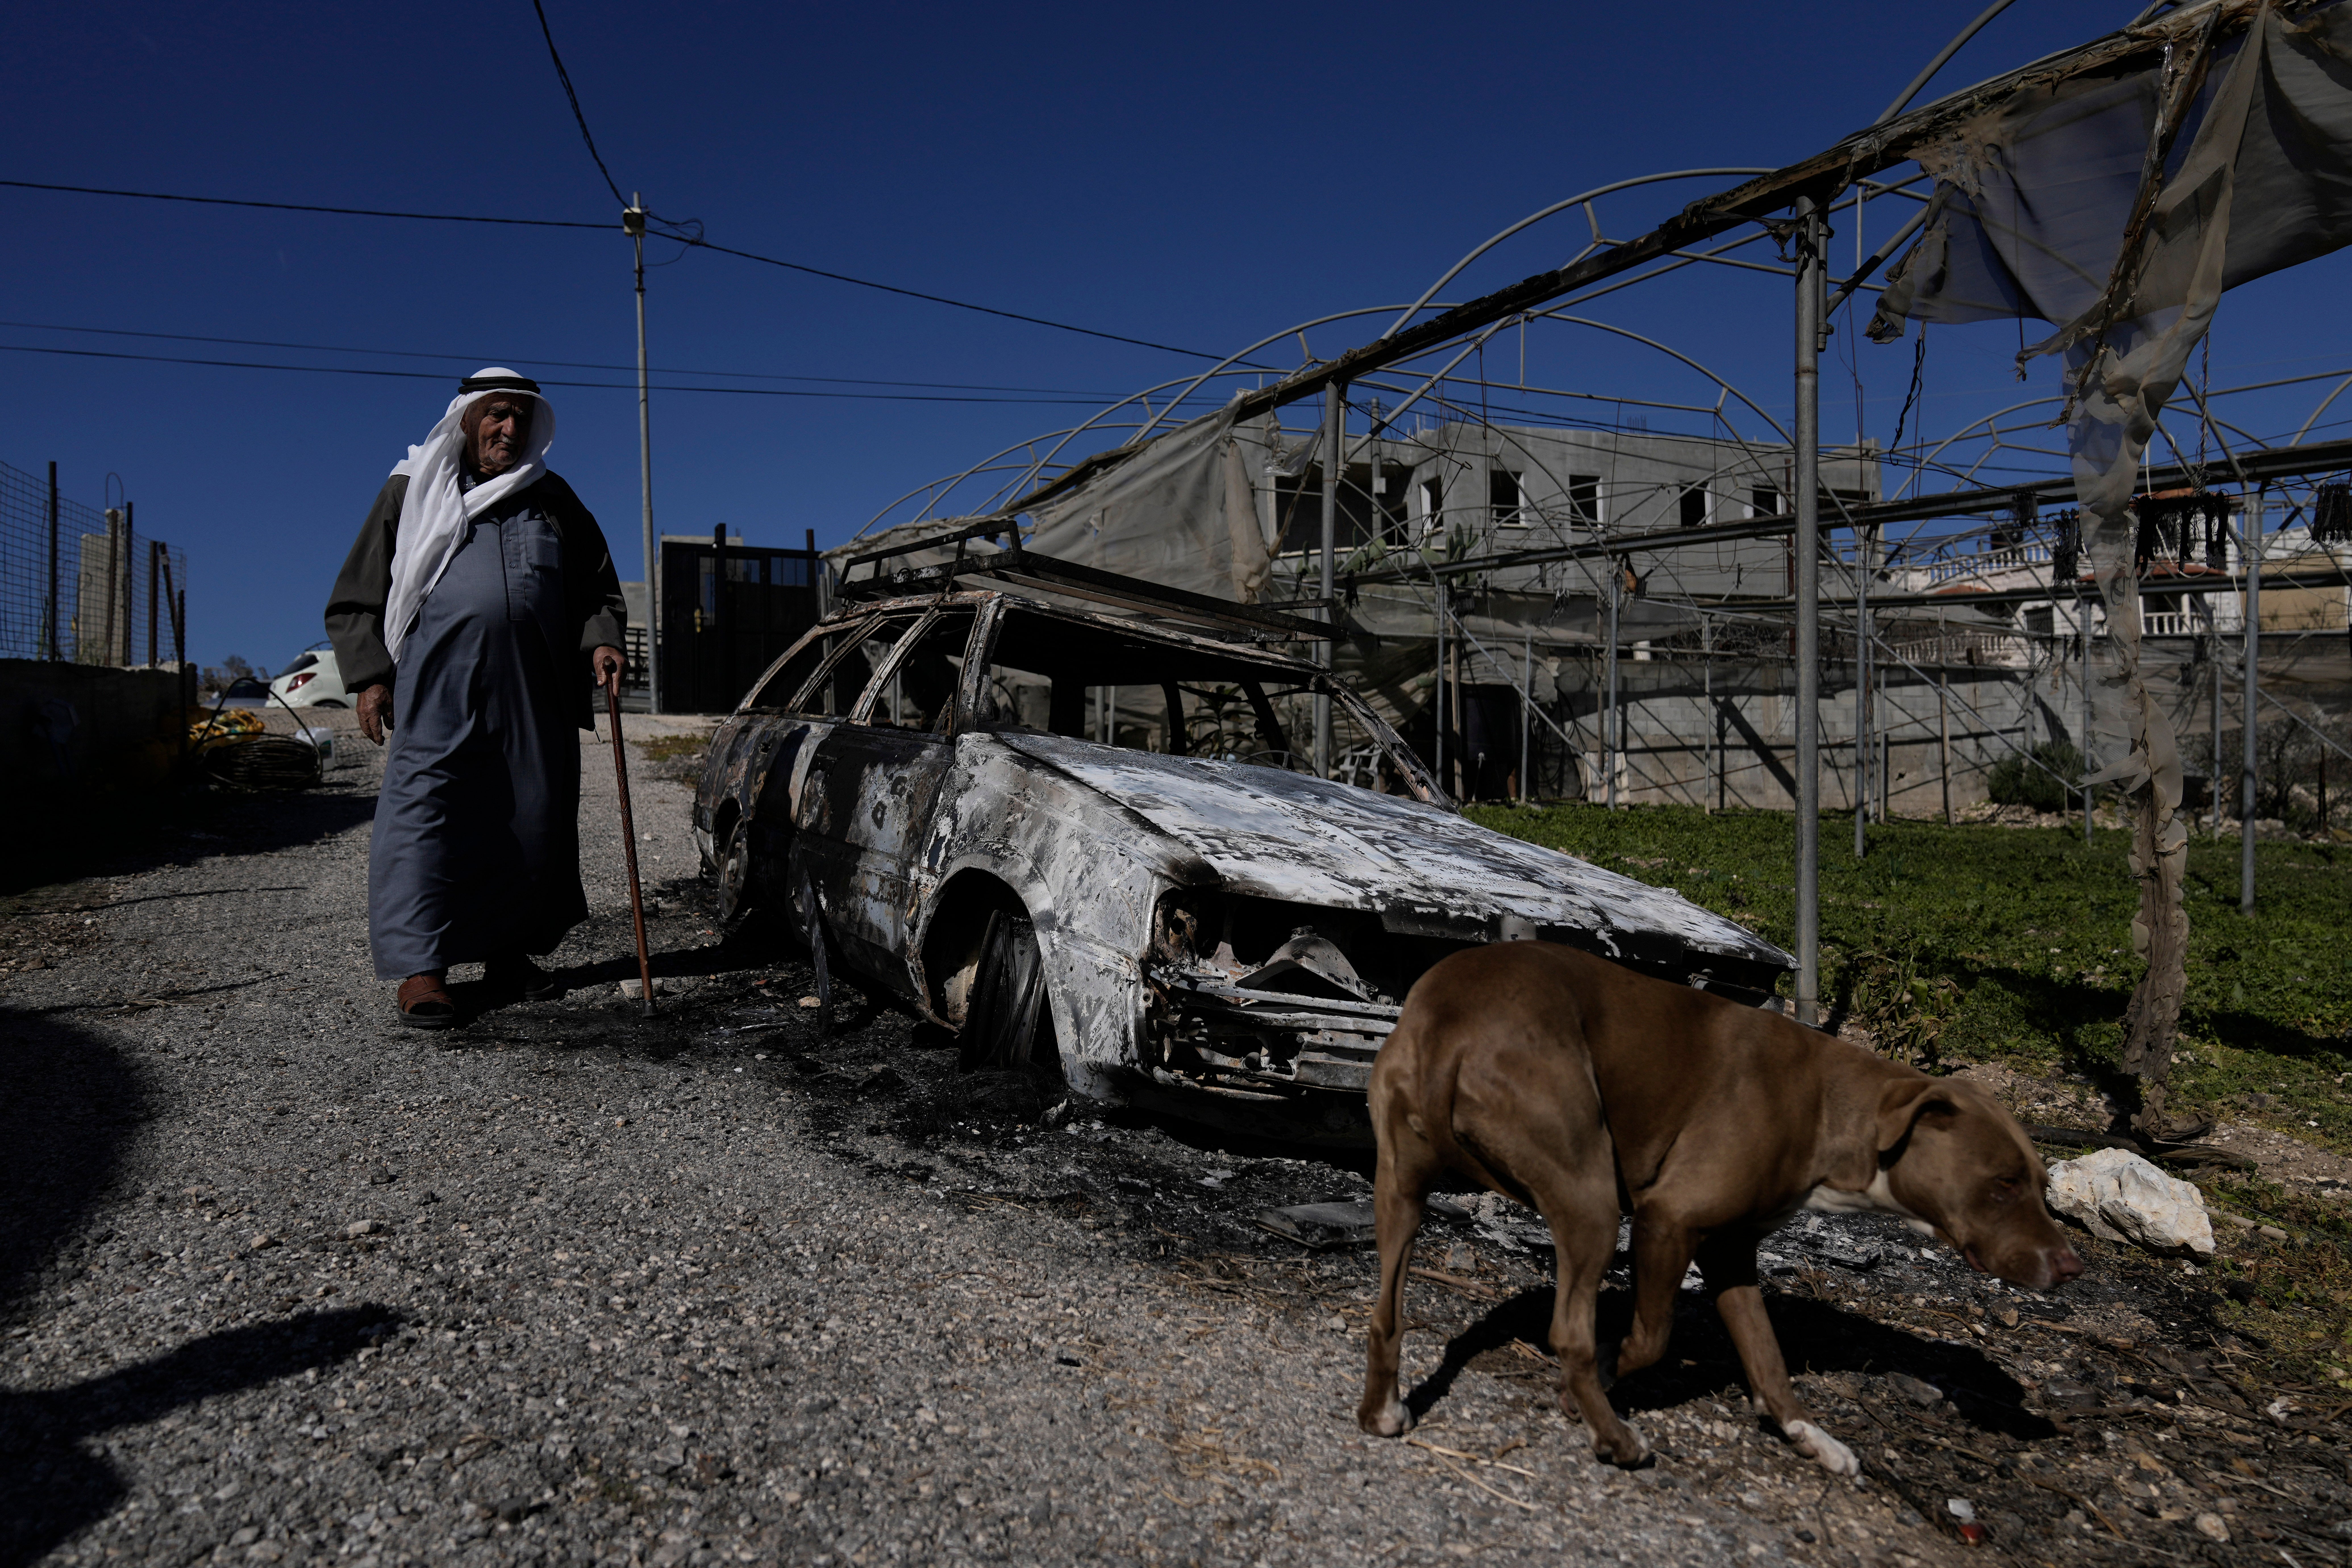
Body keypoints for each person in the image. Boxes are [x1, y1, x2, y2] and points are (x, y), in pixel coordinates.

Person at [325, 369, 628, 1027]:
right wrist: (371, 677)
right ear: (466, 419)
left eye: (521, 417)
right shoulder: (413, 489)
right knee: (425, 814)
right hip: (439, 681)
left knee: (529, 815)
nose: (509, 429)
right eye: (496, 415)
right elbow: (359, 592)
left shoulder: (552, 498)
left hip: (534, 686)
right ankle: (423, 971)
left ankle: (508, 957)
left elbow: (596, 587)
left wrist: (602, 640)